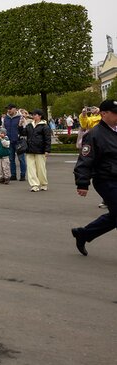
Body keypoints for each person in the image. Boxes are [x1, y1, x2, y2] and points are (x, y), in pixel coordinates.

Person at [70, 99, 117, 256]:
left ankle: (84, 234)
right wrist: (82, 183)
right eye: (115, 113)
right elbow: (85, 159)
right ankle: (84, 234)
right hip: (105, 179)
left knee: (115, 216)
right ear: (104, 114)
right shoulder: (94, 134)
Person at [23, 109, 52, 192]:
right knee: (30, 168)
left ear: (40, 116)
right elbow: (23, 133)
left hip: (40, 150)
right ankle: (34, 185)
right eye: (33, 114)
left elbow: (47, 139)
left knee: (41, 168)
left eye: (35, 114)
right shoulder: (29, 125)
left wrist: (47, 150)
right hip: (30, 149)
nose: (33, 116)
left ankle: (43, 184)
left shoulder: (44, 126)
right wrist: (21, 125)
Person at [3, 103, 27, 181]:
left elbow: (25, 129)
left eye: (10, 108)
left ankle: (23, 175)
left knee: (21, 159)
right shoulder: (5, 118)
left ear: (15, 109)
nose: (8, 110)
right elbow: (3, 129)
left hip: (18, 141)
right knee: (11, 159)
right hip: (9, 141)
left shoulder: (21, 118)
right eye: (8, 109)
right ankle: (13, 174)